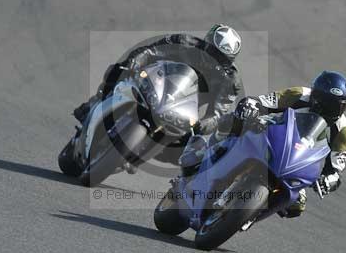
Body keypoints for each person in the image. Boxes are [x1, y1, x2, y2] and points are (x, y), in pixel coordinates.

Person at [72, 24, 245, 156]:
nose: (215, 59)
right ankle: (93, 103)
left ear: (230, 60)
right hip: (157, 80)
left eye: (222, 57)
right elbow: (150, 51)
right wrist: (133, 63)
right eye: (213, 52)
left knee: (187, 147)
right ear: (206, 43)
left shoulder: (230, 80)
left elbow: (218, 112)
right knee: (117, 71)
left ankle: (144, 155)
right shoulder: (184, 42)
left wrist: (203, 126)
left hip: (183, 108)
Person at [228, 70, 346, 217]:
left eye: (337, 106)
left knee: (297, 203)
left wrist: (328, 181)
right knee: (241, 117)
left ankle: (250, 217)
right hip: (275, 137)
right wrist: (253, 105)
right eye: (326, 102)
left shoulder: (344, 130)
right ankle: (218, 147)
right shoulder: (299, 94)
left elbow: (335, 169)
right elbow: (265, 102)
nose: (329, 109)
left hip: (298, 162)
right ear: (315, 95)